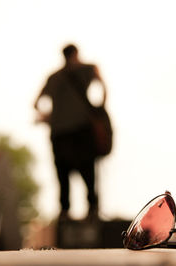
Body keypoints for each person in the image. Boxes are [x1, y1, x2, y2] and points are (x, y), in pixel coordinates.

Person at [34, 44, 107, 221]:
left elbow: (36, 103)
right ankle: (92, 210)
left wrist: (48, 117)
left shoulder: (53, 77)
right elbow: (103, 86)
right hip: (81, 131)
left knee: (62, 174)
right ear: (75, 54)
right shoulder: (88, 69)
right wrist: (99, 109)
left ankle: (65, 212)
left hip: (59, 133)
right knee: (88, 172)